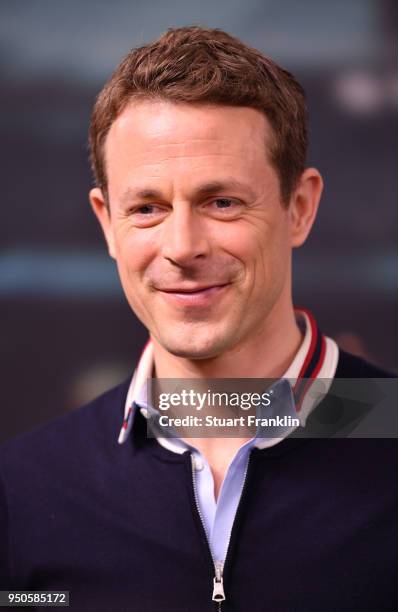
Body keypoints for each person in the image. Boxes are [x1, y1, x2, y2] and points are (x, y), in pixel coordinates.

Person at [0, 26, 396, 612]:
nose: (182, 247)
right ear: (107, 223)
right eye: (147, 208)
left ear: (300, 208)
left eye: (222, 202)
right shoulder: (22, 487)